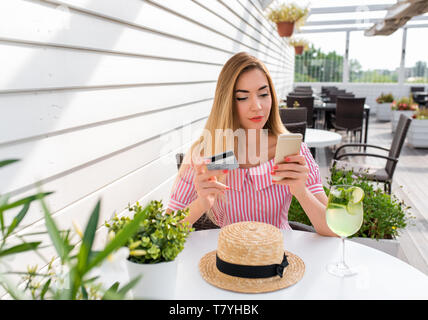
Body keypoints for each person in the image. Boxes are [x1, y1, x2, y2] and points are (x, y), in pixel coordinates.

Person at [166, 52, 336, 237]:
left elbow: (334, 229)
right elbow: (165, 232)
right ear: (227, 102)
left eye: (263, 94)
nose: (257, 106)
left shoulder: (292, 152)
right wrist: (201, 204)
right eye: (242, 97)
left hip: (281, 256)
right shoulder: (208, 153)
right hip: (230, 256)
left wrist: (302, 193)